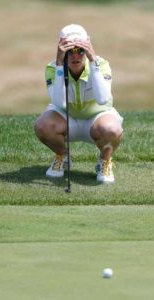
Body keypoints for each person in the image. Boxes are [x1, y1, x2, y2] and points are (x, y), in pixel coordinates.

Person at [34, 24, 123, 183]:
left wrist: (92, 59)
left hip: (97, 120)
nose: (75, 56)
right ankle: (63, 156)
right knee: (42, 126)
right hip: (67, 119)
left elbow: (103, 99)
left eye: (80, 50)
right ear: (61, 48)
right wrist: (60, 65)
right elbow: (58, 102)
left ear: (88, 46)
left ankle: (104, 161)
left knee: (112, 129)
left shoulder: (101, 65)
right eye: (70, 51)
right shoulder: (53, 68)